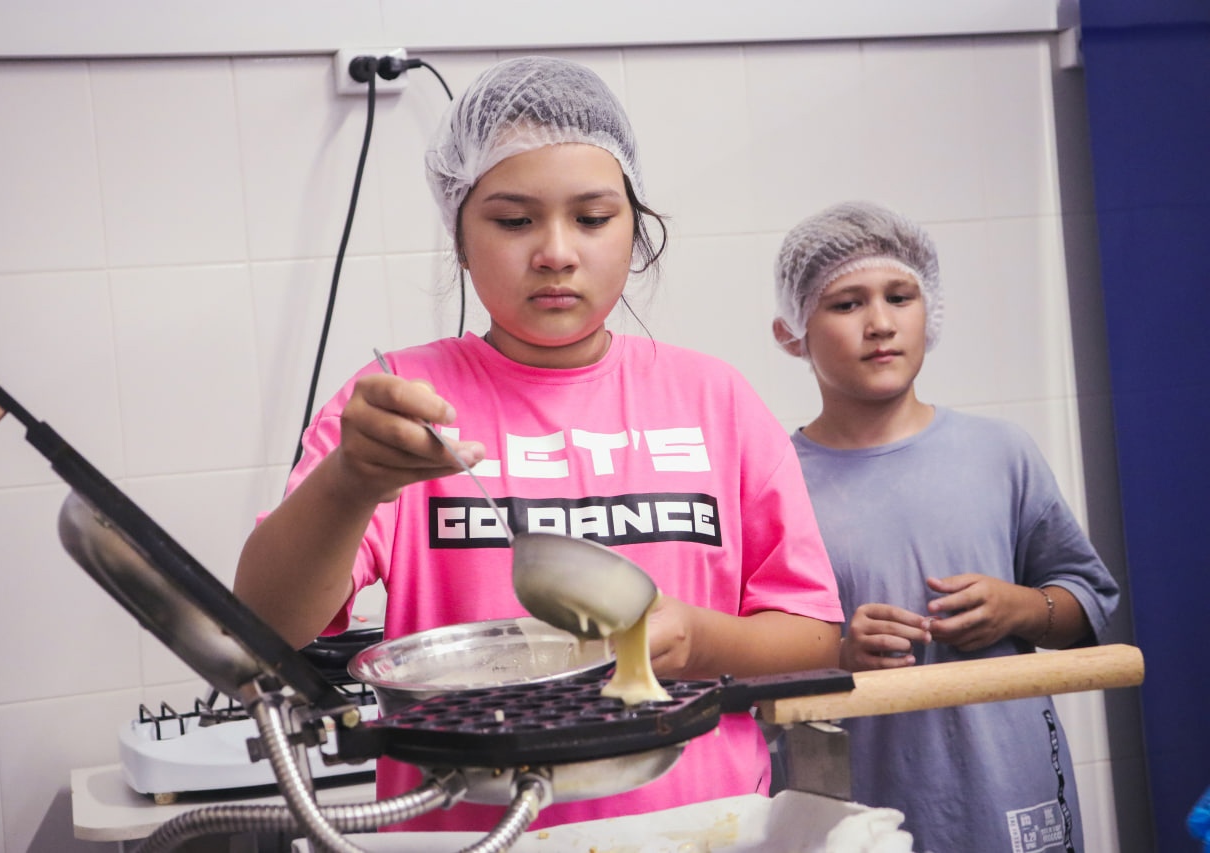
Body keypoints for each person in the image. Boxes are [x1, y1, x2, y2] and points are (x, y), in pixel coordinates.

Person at [235, 55, 844, 833]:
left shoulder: (714, 399)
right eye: (514, 220)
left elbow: (813, 639)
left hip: (699, 830)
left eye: (591, 217)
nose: (556, 251)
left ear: (635, 230)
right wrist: (351, 478)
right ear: (460, 238)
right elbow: (262, 627)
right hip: (473, 836)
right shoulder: (397, 402)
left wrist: (693, 638)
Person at [771, 200, 1120, 853]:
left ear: (928, 309)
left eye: (900, 296)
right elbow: (744, 661)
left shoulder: (999, 452)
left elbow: (1088, 603)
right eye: (846, 303)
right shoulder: (774, 481)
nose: (880, 323)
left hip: (1008, 790)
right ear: (792, 333)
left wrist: (1019, 607)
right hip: (857, 809)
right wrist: (837, 655)